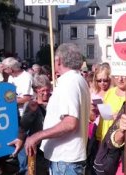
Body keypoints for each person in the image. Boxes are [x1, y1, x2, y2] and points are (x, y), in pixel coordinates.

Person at [24, 43, 91, 175]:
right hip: (66, 160)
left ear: (58, 60)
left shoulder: (69, 82)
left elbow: (70, 123)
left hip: (65, 161)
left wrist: (37, 136)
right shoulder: (77, 80)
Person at [19, 74, 52, 175]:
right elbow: (24, 125)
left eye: (48, 90)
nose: (46, 93)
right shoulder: (30, 104)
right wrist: (33, 111)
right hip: (36, 147)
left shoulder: (54, 101)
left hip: (51, 144)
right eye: (42, 91)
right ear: (36, 90)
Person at [96, 75, 126, 141]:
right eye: (116, 76)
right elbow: (103, 119)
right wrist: (100, 138)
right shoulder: (109, 92)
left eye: (124, 76)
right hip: (107, 141)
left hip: (125, 141)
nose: (120, 79)